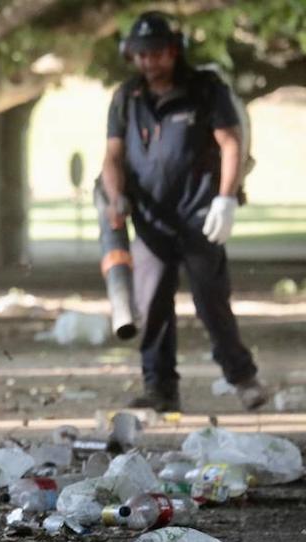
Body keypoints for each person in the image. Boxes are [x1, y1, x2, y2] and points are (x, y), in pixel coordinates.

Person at [100, 11, 268, 412]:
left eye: (156, 54)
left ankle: (243, 377)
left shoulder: (206, 89)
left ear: (174, 52)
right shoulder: (127, 98)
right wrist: (116, 197)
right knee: (153, 302)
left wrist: (226, 199)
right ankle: (160, 388)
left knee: (211, 300)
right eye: (140, 55)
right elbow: (112, 156)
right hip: (150, 219)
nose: (148, 62)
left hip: (199, 213)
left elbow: (231, 142)